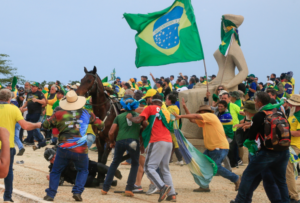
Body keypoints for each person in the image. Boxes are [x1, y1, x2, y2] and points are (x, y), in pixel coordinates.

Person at [42, 90, 105, 201]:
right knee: (83, 170)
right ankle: (77, 192)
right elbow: (101, 124)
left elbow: (45, 125)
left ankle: (51, 194)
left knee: (56, 171)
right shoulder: (87, 113)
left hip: (63, 149)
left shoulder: (59, 114)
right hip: (80, 150)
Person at [232, 92, 290, 203]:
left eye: (255, 101)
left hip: (267, 152)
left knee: (247, 175)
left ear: (259, 102)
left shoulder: (260, 115)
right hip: (283, 150)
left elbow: (251, 136)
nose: (254, 103)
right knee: (281, 181)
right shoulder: (277, 111)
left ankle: (240, 201)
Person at [172, 98, 240, 193]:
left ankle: (236, 178)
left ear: (203, 112)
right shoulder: (206, 120)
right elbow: (192, 119)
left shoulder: (210, 116)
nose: (200, 114)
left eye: (200, 112)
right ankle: (204, 186)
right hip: (212, 148)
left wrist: (181, 115)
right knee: (202, 165)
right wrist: (185, 108)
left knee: (216, 167)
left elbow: (195, 116)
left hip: (219, 147)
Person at [126, 94, 177, 202]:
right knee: (165, 169)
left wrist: (130, 117)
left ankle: (163, 187)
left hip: (157, 140)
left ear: (151, 101)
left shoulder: (150, 108)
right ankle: (172, 194)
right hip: (168, 141)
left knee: (149, 168)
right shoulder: (165, 111)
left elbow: (139, 119)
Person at [0, 89, 42, 202]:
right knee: (8, 172)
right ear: (10, 99)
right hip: (7, 146)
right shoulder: (13, 109)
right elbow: (25, 126)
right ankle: (7, 197)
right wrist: (38, 124)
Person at [102, 96, 147, 197]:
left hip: (120, 141)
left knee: (114, 163)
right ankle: (129, 189)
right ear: (135, 106)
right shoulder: (139, 116)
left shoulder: (119, 117)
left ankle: (105, 188)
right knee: (135, 164)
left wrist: (112, 142)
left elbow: (111, 132)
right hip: (133, 142)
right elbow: (146, 127)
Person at [44, 148, 122, 188]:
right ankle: (108, 182)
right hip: (79, 178)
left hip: (85, 166)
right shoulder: (53, 169)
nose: (54, 160)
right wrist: (52, 178)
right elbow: (59, 183)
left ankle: (113, 171)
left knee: (95, 165)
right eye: (51, 160)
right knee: (88, 182)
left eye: (54, 157)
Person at [20, 82, 47, 150]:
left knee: (32, 125)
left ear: (37, 87)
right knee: (28, 125)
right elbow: (27, 102)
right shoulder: (29, 93)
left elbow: (44, 102)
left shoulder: (39, 93)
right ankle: (31, 139)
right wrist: (22, 107)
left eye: (34, 86)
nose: (32, 87)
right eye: (32, 86)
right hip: (29, 112)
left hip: (36, 112)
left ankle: (33, 140)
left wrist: (37, 100)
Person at [286, 94, 300, 203]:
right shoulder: (293, 113)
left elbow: (299, 133)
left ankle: (294, 197)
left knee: (288, 169)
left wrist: (284, 133)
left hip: (296, 146)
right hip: (290, 145)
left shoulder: (299, 115)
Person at [165, 94, 183, 166]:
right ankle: (171, 159)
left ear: (169, 101)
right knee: (174, 144)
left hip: (171, 128)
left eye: (166, 99)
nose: (165, 100)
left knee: (175, 144)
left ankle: (180, 160)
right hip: (175, 127)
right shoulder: (176, 107)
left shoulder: (170, 109)